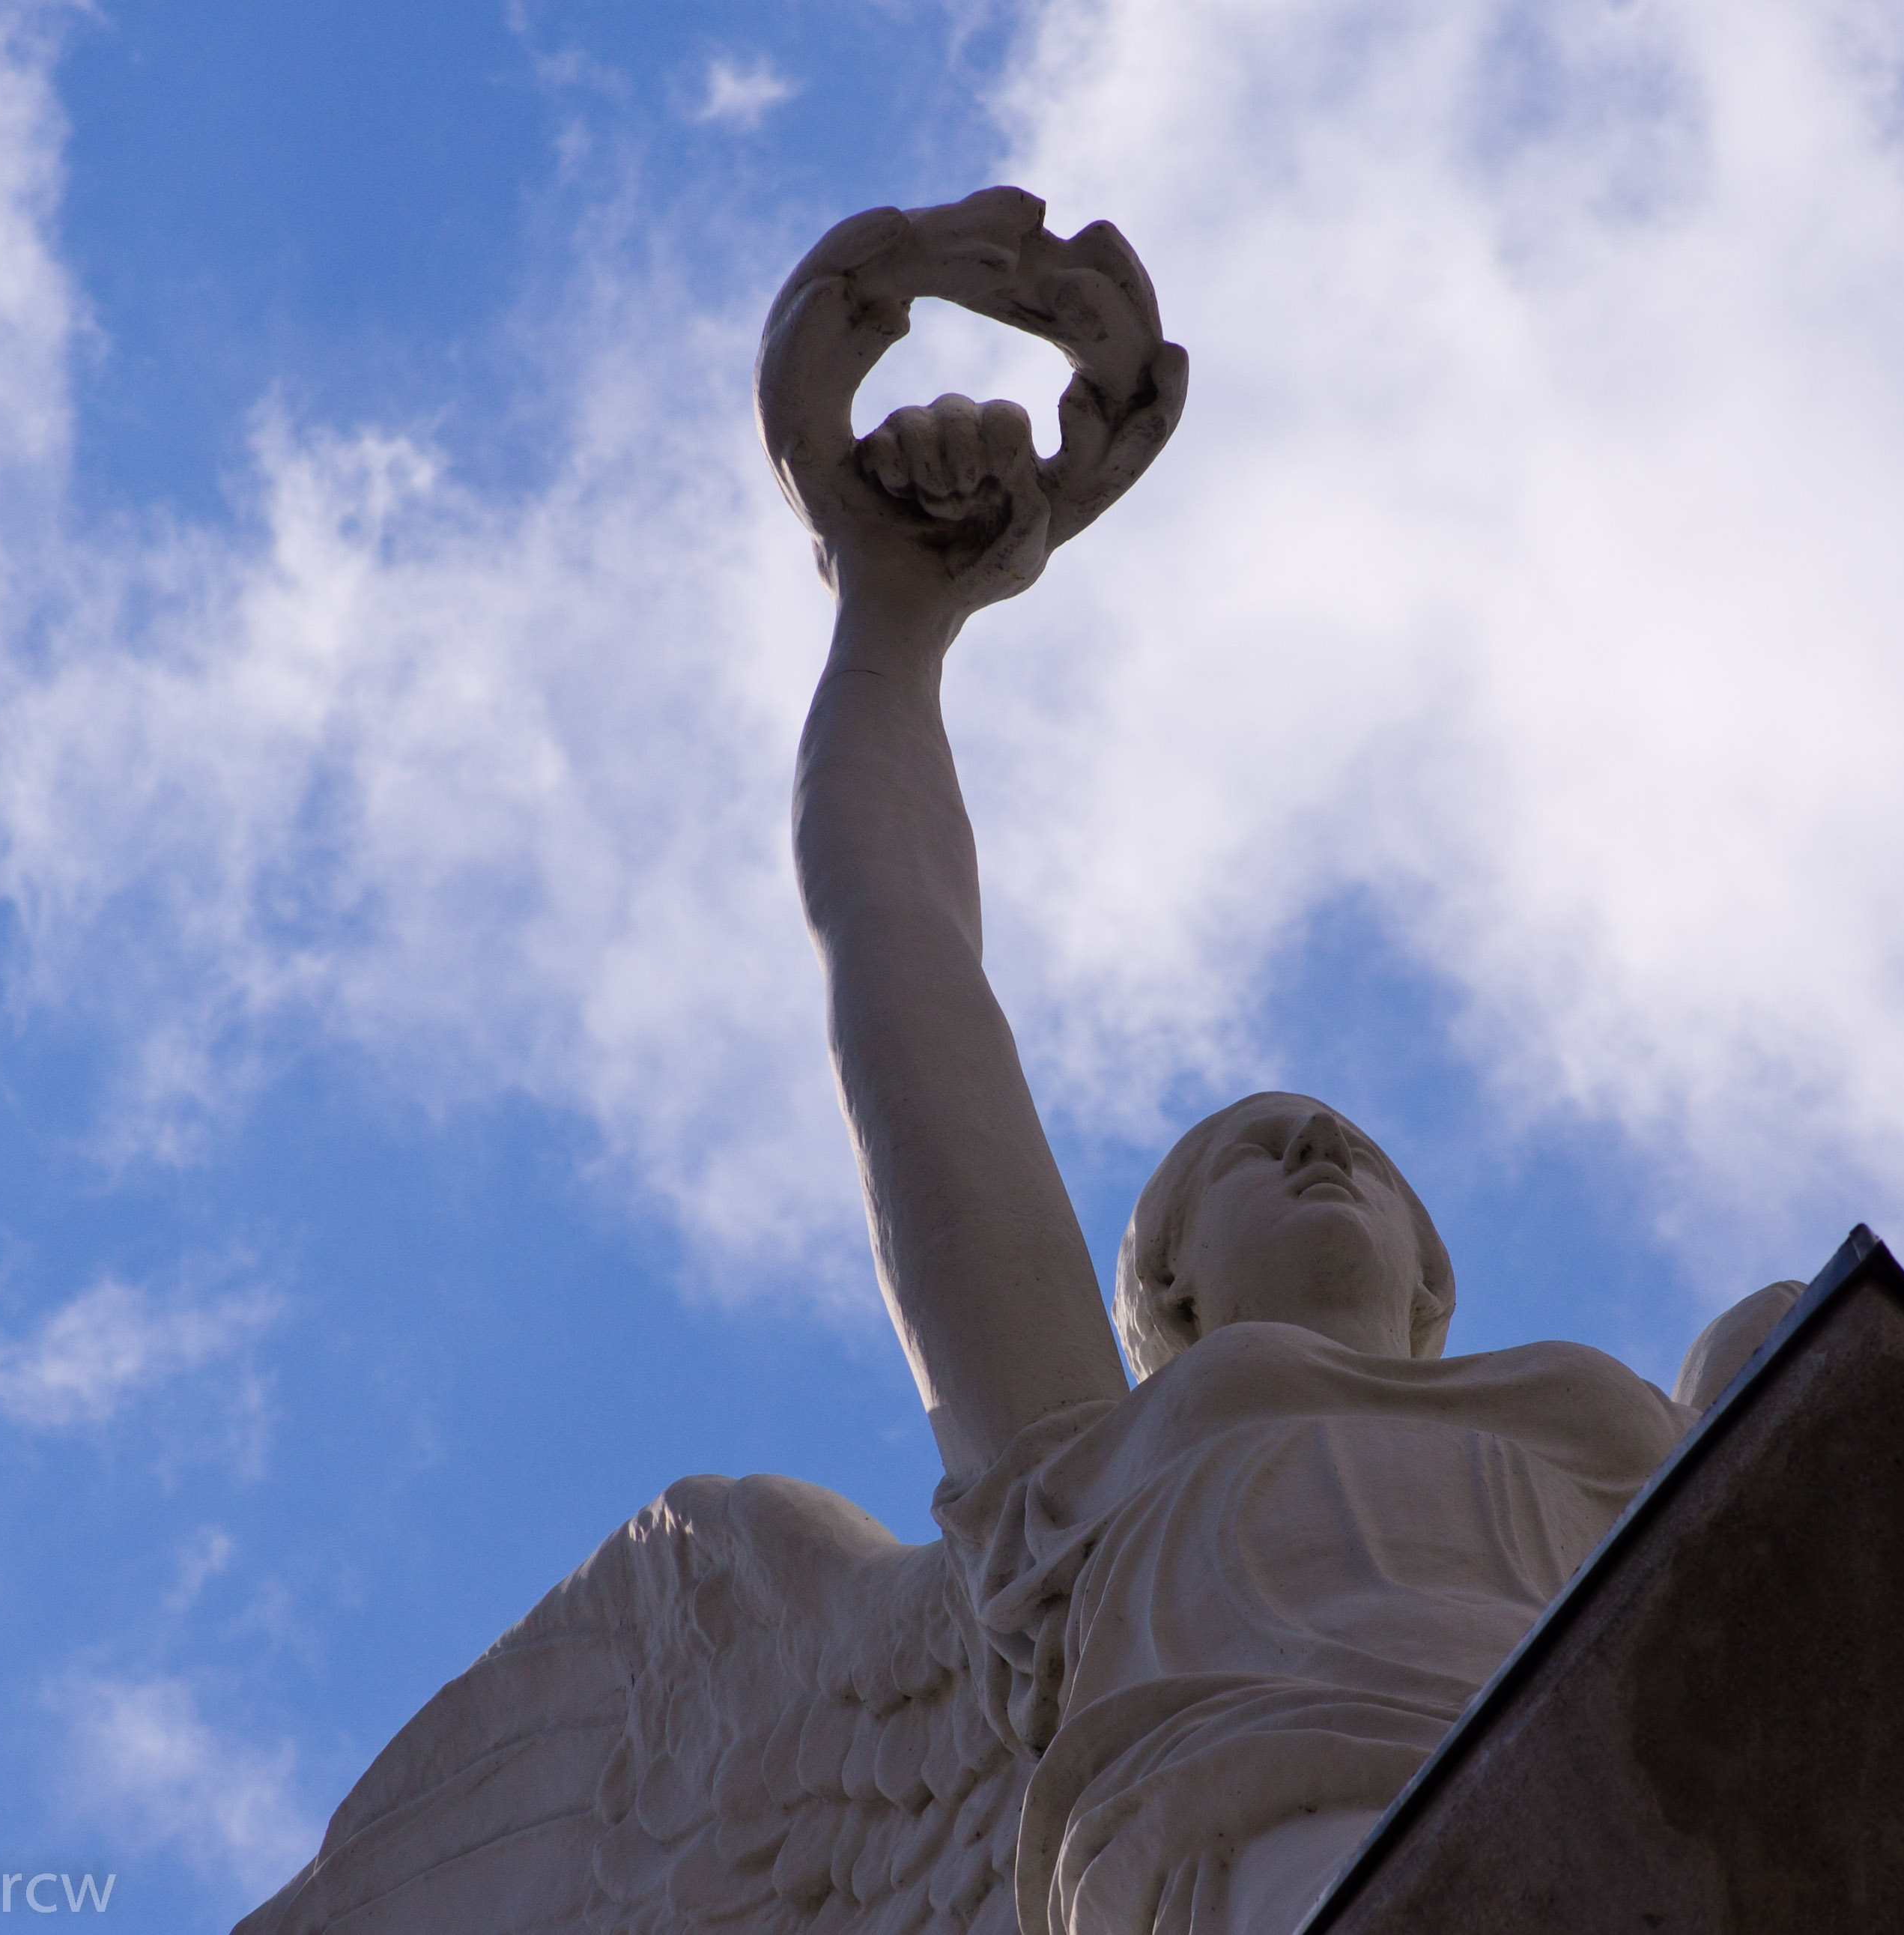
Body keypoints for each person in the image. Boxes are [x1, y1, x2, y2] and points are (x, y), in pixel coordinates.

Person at [760, 190, 1800, 1934]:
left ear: (1434, 1274)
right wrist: (890, 623)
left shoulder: (1649, 1432)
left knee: (1787, 1347)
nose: (1322, 1142)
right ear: (1161, 1289)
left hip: (1684, 1850)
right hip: (1278, 1861)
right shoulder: (1075, 1479)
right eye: (1254, 1149)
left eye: (1355, 1153)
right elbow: (900, 961)